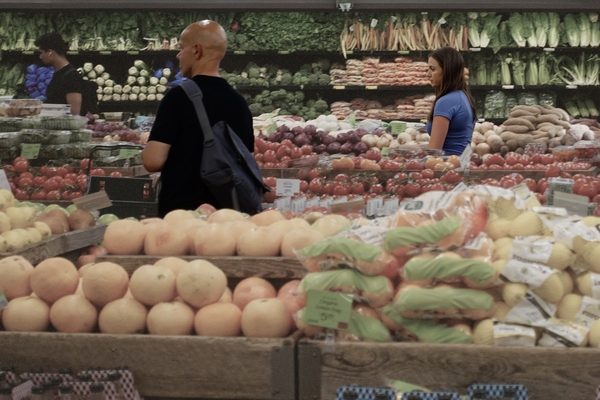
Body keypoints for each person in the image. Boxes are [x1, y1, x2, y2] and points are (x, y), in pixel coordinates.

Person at [141, 20, 254, 218]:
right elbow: (246, 158)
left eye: (181, 48)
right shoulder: (239, 102)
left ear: (196, 51)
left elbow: (152, 161)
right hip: (228, 216)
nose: (178, 55)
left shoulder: (178, 97)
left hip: (182, 216)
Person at [424, 46, 477, 156]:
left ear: (447, 70)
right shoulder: (463, 96)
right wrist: (409, 148)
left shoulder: (445, 102)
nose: (428, 74)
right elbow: (452, 143)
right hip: (462, 164)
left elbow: (435, 151)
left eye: (432, 69)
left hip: (446, 166)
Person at [35, 33, 84, 115]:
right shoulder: (59, 72)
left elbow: (74, 113)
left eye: (41, 52)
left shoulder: (71, 76)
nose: (40, 57)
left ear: (50, 52)